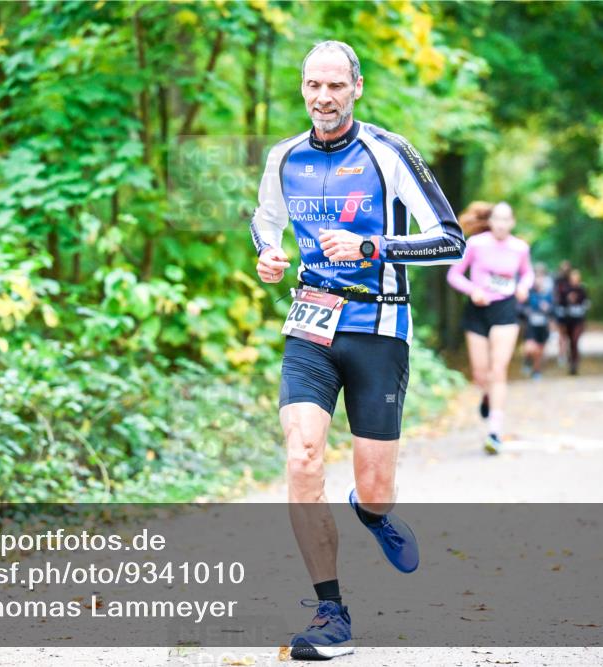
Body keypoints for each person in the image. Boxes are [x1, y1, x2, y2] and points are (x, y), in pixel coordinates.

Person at [250, 40, 464, 660]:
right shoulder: (282, 157)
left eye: (336, 86)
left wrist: (373, 249)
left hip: (379, 328)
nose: (324, 98)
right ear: (302, 89)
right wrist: (267, 254)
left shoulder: (388, 152)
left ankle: (371, 513)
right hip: (311, 327)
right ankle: (330, 611)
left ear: (357, 88)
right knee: (303, 456)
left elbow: (449, 241)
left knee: (375, 489)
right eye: (314, 85)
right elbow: (265, 221)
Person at [447, 201, 533, 455]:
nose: (502, 224)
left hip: (505, 309)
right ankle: (486, 395)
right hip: (477, 311)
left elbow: (526, 274)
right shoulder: (476, 244)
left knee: (498, 369)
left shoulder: (520, 248)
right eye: (497, 219)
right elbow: (454, 275)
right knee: (481, 374)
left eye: (507, 220)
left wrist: (523, 287)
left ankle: (494, 432)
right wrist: (473, 290)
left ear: (512, 223)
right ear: (490, 221)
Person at [521, 269, 554, 380]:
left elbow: (554, 310)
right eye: (537, 278)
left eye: (542, 278)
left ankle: (536, 371)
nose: (540, 280)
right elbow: (520, 307)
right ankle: (527, 360)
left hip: (543, 326)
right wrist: (527, 311)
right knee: (530, 348)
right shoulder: (529, 293)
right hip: (531, 326)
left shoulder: (548, 295)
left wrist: (548, 308)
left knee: (540, 350)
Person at [558, 269, 589, 375]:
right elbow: (560, 303)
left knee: (575, 340)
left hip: (579, 320)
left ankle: (575, 362)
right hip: (568, 320)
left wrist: (579, 304)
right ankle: (571, 361)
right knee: (570, 341)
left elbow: (586, 303)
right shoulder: (565, 289)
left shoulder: (582, 289)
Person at [553, 260, 572, 367]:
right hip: (560, 310)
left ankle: (567, 353)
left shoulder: (571, 280)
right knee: (561, 334)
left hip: (570, 311)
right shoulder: (557, 280)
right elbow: (555, 295)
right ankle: (562, 354)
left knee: (569, 335)